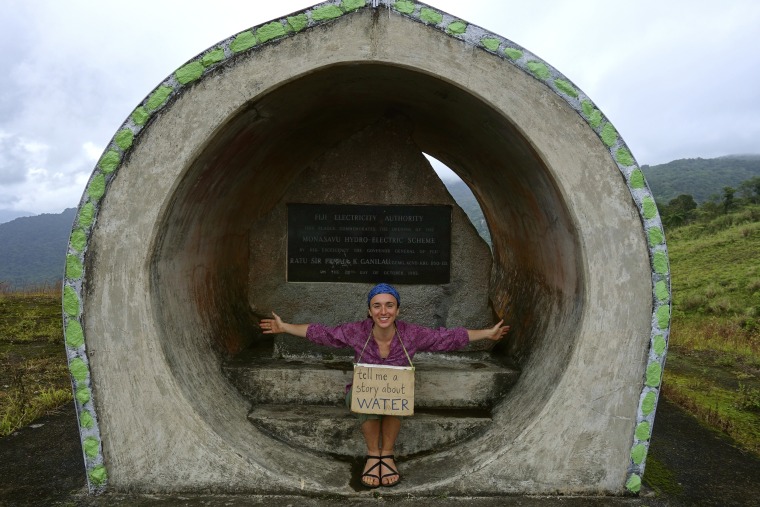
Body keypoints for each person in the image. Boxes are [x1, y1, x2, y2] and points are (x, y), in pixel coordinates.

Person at [259, 283, 510, 488]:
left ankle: (387, 455)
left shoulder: (411, 334)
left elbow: (449, 338)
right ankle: (373, 455)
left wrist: (487, 334)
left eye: (389, 305)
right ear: (369, 311)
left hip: (395, 395)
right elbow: (321, 333)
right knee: (365, 399)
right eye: (377, 306)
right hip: (364, 393)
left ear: (398, 310)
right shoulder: (356, 332)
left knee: (395, 400)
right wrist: (285, 328)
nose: (383, 311)